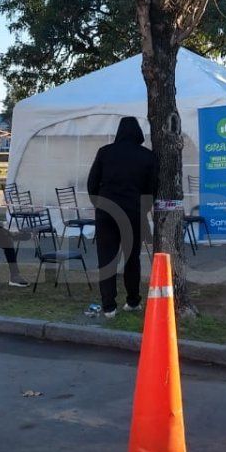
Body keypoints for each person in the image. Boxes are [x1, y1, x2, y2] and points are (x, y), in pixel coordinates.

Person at [87, 116, 158, 318]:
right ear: (138, 134)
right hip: (132, 213)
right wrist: (141, 210)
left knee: (106, 258)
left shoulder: (105, 152)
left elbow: (92, 183)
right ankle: (133, 301)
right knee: (132, 258)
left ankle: (109, 306)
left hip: (106, 212)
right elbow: (151, 190)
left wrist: (100, 205)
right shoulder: (147, 156)